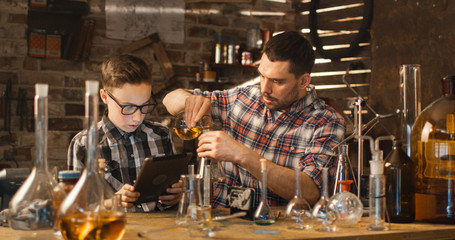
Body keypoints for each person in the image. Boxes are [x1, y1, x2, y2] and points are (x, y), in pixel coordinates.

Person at [163, 31, 346, 208]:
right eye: (262, 76)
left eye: (277, 81)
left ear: (303, 81)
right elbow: (169, 99)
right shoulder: (242, 98)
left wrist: (242, 155)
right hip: (220, 223)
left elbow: (310, 192)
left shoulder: (326, 121)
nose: (265, 89)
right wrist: (192, 102)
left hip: (279, 229)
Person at [68, 54, 180, 212]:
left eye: (144, 105)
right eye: (127, 107)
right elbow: (75, 208)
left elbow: (174, 196)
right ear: (105, 97)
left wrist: (176, 195)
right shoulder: (84, 144)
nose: (137, 117)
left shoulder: (161, 135)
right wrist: (111, 203)